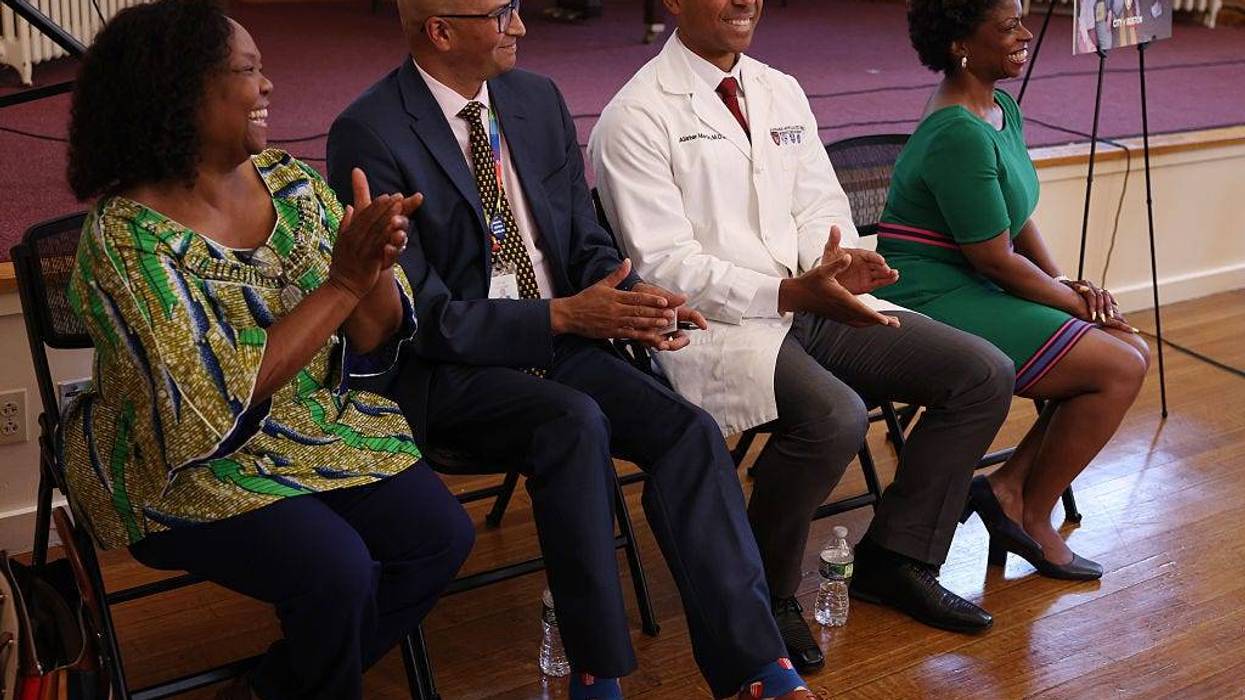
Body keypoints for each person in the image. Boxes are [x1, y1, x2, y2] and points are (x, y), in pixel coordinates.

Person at [326, 1, 817, 698]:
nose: (521, 27)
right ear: (440, 30)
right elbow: (419, 317)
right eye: (501, 13)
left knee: (687, 430)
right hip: (452, 371)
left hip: (563, 339)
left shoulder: (535, 99)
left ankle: (755, 668)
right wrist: (559, 315)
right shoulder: (370, 131)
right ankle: (596, 674)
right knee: (573, 422)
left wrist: (634, 299)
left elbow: (583, 240)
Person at [61, 1, 474, 697]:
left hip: (308, 428)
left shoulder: (290, 184)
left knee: (439, 538)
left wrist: (373, 267)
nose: (268, 85)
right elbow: (209, 402)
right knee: (337, 572)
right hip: (180, 462)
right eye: (248, 70)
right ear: (181, 92)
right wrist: (343, 282)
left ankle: (281, 686)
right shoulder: (127, 238)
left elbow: (372, 334)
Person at [589, 0, 1017, 671]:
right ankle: (765, 592)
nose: (744, 1)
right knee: (832, 417)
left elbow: (820, 203)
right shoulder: (635, 115)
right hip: (715, 324)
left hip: (814, 300)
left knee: (982, 374)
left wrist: (836, 263)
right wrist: (788, 292)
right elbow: (664, 265)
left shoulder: (778, 88)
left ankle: (897, 557)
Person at [873, 0, 1150, 580]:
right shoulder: (958, 132)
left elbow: (1016, 218)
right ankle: (1030, 513)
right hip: (932, 294)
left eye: (1022, 19)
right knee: (1118, 368)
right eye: (1008, 26)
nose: (1025, 34)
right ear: (959, 44)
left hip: (974, 279)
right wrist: (1076, 305)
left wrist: (1067, 284)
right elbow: (994, 259)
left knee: (1130, 349)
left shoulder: (1000, 108)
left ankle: (1009, 490)